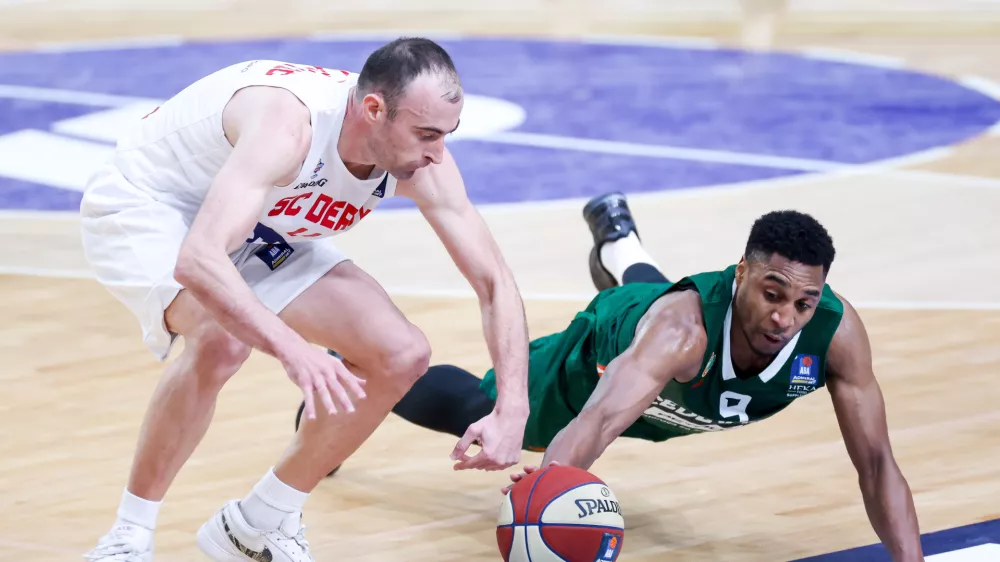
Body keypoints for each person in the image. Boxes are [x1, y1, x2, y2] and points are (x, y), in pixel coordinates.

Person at [79, 37, 530, 562]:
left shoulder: (423, 159)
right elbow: (201, 258)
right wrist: (296, 351)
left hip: (259, 220)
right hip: (152, 206)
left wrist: (513, 405)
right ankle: (129, 536)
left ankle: (258, 523)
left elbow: (494, 278)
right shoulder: (289, 127)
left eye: (446, 135)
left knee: (400, 354)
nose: (436, 153)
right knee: (222, 337)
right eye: (425, 133)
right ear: (373, 109)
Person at [302, 192, 925, 561]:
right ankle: (349, 374)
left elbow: (876, 464)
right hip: (607, 351)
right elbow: (595, 421)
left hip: (674, 361)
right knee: (485, 408)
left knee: (667, 315)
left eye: (804, 303)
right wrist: (542, 505)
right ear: (742, 274)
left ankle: (619, 245)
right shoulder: (682, 336)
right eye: (772, 294)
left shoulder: (835, 336)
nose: (786, 318)